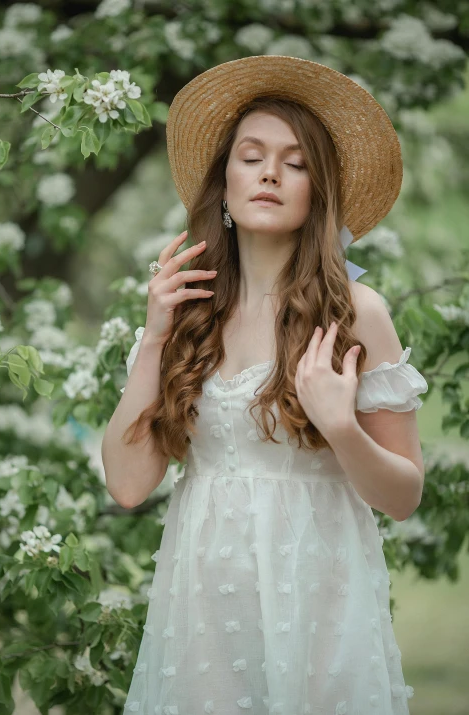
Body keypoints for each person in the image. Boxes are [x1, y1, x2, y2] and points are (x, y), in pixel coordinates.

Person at [102, 55, 429, 715]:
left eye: (296, 162)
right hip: (201, 607)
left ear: (318, 190)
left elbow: (404, 494)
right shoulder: (190, 314)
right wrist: (154, 336)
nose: (272, 172)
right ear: (223, 183)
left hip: (317, 605)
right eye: (251, 156)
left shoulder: (356, 314)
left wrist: (340, 427)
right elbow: (130, 483)